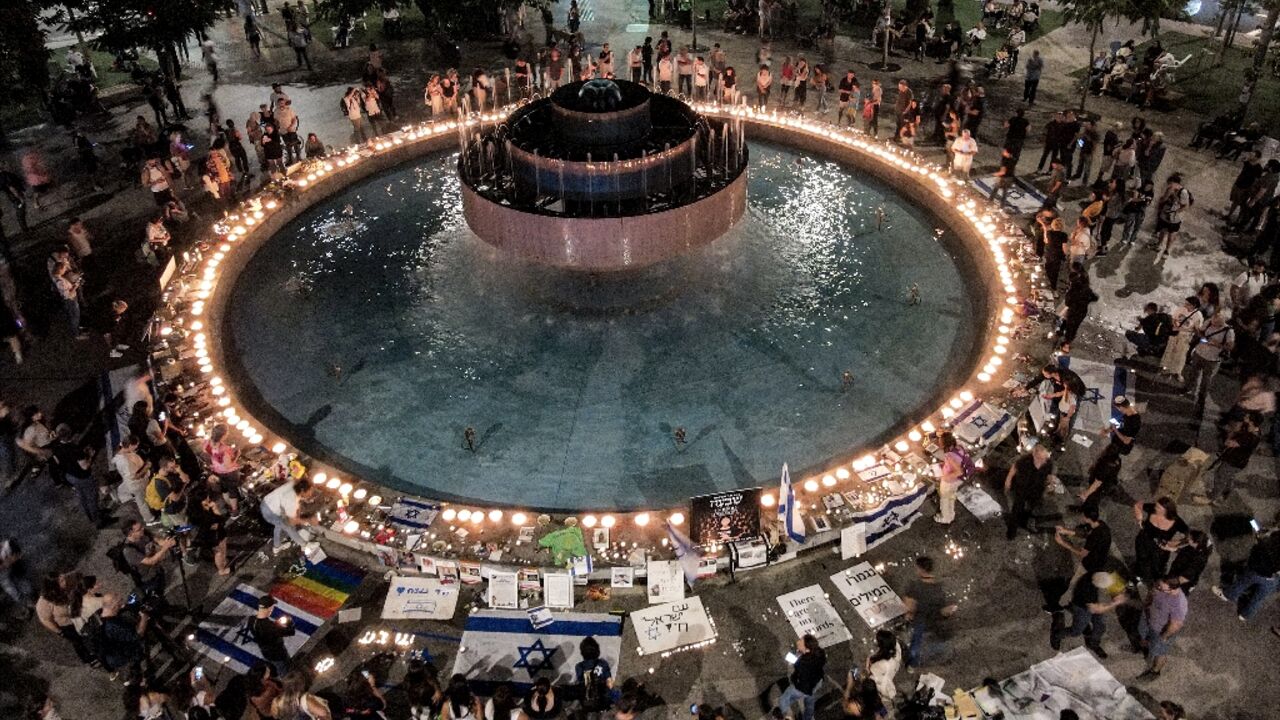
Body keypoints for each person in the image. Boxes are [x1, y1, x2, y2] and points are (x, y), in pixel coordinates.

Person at [1051, 571, 1125, 656]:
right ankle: (1057, 634)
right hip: (1082, 608)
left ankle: (1093, 644)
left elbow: (1113, 578)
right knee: (1076, 631)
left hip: (1092, 603)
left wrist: (1119, 592)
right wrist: (1114, 603)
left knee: (1100, 627)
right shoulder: (1086, 590)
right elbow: (1097, 609)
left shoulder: (1096, 573)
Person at [1213, 527, 1280, 621]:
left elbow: (1257, 552)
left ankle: (1228, 595)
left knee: (1242, 583)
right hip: (1273, 578)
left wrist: (1260, 539)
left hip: (1256, 571)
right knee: (1259, 598)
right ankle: (1245, 615)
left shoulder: (1270, 542)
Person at [901, 556, 957, 667]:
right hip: (935, 619)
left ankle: (912, 664)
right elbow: (944, 606)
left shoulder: (915, 586)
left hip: (920, 620)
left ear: (921, 569)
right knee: (933, 641)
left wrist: (907, 615)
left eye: (916, 567)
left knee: (916, 643)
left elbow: (908, 606)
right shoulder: (939, 587)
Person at [36, 572, 95, 663]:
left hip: (80, 616)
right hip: (67, 625)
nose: (65, 581)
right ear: (53, 586)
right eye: (61, 581)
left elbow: (78, 575)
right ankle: (87, 658)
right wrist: (59, 632)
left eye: (63, 577)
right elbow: (45, 619)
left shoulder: (68, 582)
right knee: (78, 642)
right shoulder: (44, 603)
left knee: (90, 633)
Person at [1136, 576, 1187, 680]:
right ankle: (1144, 649)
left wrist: (1164, 637)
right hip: (1148, 618)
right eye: (1159, 585)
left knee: (1160, 651)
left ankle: (1155, 671)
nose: (1158, 588)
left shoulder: (1179, 604)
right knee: (1143, 635)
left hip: (1160, 630)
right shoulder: (1161, 585)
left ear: (1172, 589)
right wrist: (1146, 605)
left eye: (1161, 588)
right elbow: (1152, 592)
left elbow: (1176, 624)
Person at [1132, 497, 1188, 586]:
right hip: (1144, 540)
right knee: (1141, 559)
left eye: (1159, 508)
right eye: (1156, 506)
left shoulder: (1176, 521)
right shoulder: (1152, 508)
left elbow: (1189, 536)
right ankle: (1139, 575)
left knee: (1158, 566)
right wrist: (1139, 519)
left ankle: (1156, 582)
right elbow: (1137, 505)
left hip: (1160, 547)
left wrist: (1174, 544)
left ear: (1167, 510)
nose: (1155, 508)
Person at [1004, 444, 1055, 539]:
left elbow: (1049, 475)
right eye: (1042, 458)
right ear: (1035, 456)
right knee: (1017, 509)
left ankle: (1024, 522)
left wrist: (1051, 484)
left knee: (1031, 508)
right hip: (1022, 489)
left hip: (1037, 490)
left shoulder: (1048, 463)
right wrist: (1008, 479)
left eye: (1045, 458)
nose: (1044, 461)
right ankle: (1011, 531)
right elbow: (1015, 467)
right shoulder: (1025, 460)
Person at [1185, 311, 1234, 405]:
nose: (1213, 324)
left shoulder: (1229, 331)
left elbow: (1230, 347)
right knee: (1193, 372)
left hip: (1212, 359)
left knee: (1206, 380)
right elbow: (1200, 333)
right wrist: (1202, 337)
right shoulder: (1209, 322)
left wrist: (1217, 344)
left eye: (1216, 323)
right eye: (1213, 322)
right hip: (1199, 352)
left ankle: (1201, 397)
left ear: (1223, 321)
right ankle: (1187, 388)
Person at [120, 518, 176, 599]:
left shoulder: (143, 533)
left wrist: (167, 543)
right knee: (155, 597)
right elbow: (151, 561)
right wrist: (165, 548)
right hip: (147, 579)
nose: (143, 529)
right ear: (130, 534)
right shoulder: (129, 550)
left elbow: (156, 540)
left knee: (161, 586)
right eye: (139, 529)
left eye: (141, 527)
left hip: (157, 570)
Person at [261, 478, 316, 555]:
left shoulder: (294, 484)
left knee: (279, 525)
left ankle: (277, 547)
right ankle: (304, 545)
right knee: (288, 527)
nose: (311, 494)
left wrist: (302, 498)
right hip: (270, 512)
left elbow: (298, 482)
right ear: (303, 491)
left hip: (267, 502)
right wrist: (308, 521)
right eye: (309, 492)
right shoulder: (291, 501)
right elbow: (292, 521)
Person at [776, 634, 825, 720]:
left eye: (801, 642)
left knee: (783, 700)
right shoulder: (820, 653)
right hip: (817, 682)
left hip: (802, 688)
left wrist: (796, 656)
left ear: (807, 650)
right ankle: (808, 718)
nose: (798, 642)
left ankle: (788, 717)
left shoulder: (801, 663)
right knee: (809, 702)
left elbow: (800, 676)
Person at [188, 487, 230, 576]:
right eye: (206, 498)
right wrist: (215, 510)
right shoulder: (200, 514)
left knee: (223, 546)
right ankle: (221, 569)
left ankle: (224, 560)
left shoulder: (203, 507)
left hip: (217, 532)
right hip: (212, 535)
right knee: (218, 551)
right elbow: (218, 520)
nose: (208, 499)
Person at [252, 596, 296, 677]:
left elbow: (265, 630)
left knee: (274, 667)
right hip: (278, 654)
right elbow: (291, 632)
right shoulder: (270, 627)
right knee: (285, 671)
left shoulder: (252, 620)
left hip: (266, 652)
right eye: (272, 606)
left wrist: (275, 624)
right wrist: (290, 623)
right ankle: (290, 683)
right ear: (269, 608)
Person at [933, 432, 968, 524]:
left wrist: (945, 477)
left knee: (944, 498)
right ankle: (951, 514)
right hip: (958, 481)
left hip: (950, 481)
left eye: (940, 442)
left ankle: (945, 518)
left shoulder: (950, 455)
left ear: (945, 443)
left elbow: (959, 471)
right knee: (951, 496)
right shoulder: (959, 448)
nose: (939, 443)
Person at [575, 635, 614, 717]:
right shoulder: (603, 664)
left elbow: (580, 683)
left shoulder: (579, 666)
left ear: (582, 653)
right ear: (597, 651)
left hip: (586, 702)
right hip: (603, 701)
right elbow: (610, 685)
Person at [862, 629, 900, 706]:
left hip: (881, 679)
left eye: (877, 641)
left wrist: (867, 665)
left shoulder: (880, 665)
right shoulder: (897, 650)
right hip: (891, 671)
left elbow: (871, 675)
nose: (875, 642)